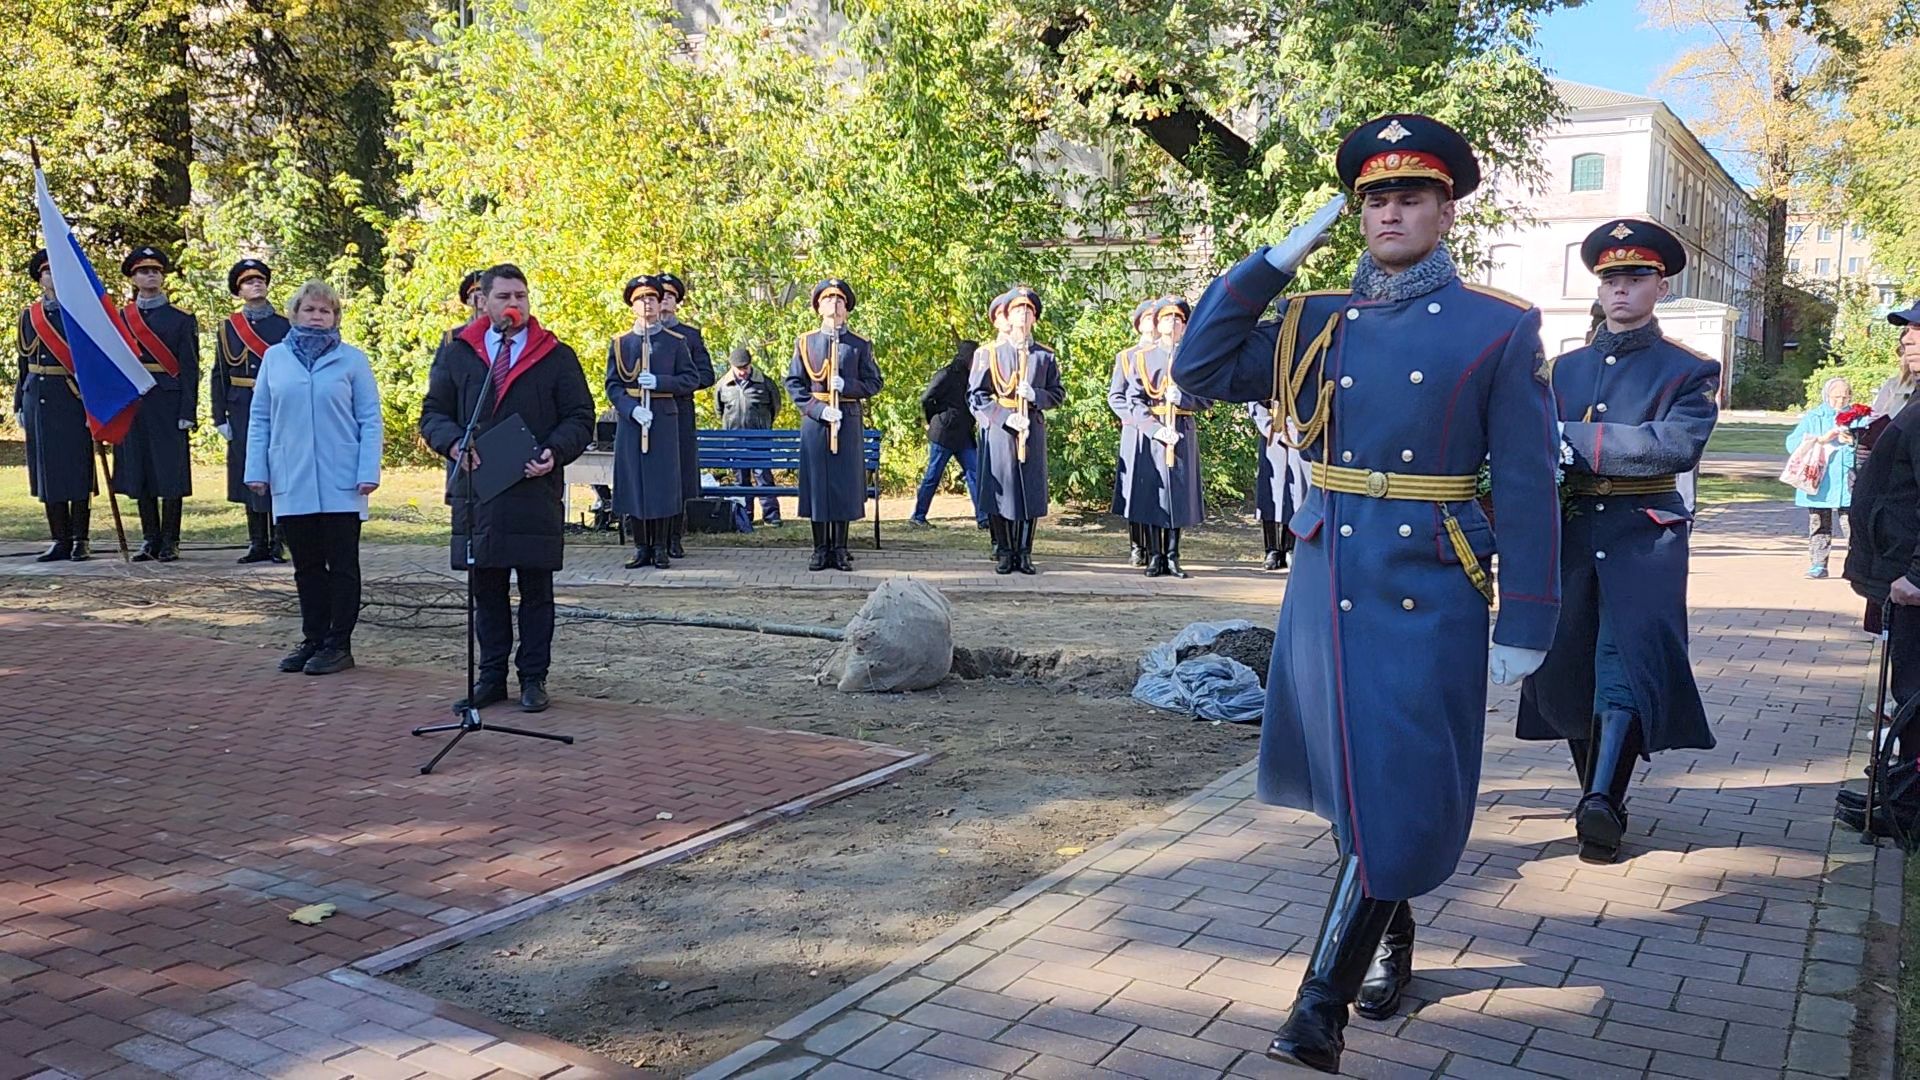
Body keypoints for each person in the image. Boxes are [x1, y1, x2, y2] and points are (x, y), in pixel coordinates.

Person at [1174, 114, 1561, 1073]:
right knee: (1361, 785)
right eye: (1375, 198)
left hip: (1431, 584)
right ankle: (1394, 939)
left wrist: (1530, 615)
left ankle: (1320, 1006)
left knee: (1405, 774)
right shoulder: (1317, 317)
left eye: (1412, 196)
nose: (1392, 211)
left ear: (1445, 209)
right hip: (1329, 578)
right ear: (1357, 215)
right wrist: (1266, 264)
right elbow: (1197, 368)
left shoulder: (1499, 326)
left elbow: (1522, 479)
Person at [1517, 218, 1719, 866]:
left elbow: (1674, 445)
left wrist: (1572, 440)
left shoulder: (1688, 369)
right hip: (1573, 531)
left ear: (1660, 285)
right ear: (1598, 289)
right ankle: (1594, 795)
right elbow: (1525, 443)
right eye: (1611, 278)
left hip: (1643, 535)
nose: (1621, 289)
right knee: (1570, 664)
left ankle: (1604, 797)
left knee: (1626, 661)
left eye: (1635, 277)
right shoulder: (1563, 368)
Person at [419, 264, 595, 713]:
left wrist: (554, 452)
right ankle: (491, 677)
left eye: (520, 296)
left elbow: (579, 416)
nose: (513, 305)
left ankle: (533, 678)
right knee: (487, 588)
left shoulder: (555, 354)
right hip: (479, 490)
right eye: (504, 297)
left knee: (536, 590)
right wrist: (456, 443)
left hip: (533, 490)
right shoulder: (460, 352)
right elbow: (434, 413)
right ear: (483, 300)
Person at [243, 279, 383, 676]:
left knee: (341, 565)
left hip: (342, 477)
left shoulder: (352, 360)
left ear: (335, 317)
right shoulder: (275, 358)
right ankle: (313, 637)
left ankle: (339, 643)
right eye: (310, 310)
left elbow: (370, 419)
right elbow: (261, 418)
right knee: (305, 566)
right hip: (293, 476)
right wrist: (256, 469)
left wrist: (367, 471)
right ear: (295, 314)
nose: (317, 316)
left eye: (325, 311)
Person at [1840, 301, 1920, 834]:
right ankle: (1901, 795)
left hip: (1912, 577)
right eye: (1908, 331)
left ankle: (1908, 808)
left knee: (1915, 691)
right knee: (1909, 689)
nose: (1909, 339)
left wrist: (1917, 572)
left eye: (1919, 330)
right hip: (1898, 572)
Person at [787, 279, 882, 571]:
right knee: (818, 485)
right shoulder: (805, 342)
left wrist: (849, 386)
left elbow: (874, 382)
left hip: (847, 419)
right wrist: (818, 410)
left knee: (842, 486)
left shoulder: (859, 344)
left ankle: (840, 548)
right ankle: (819, 548)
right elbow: (794, 383)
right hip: (816, 424)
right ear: (818, 308)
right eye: (828, 300)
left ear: (846, 309)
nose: (834, 304)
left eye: (840, 300)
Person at [971, 286, 1065, 575]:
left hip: (1031, 428)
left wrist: (1036, 395)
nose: (1023, 315)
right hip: (1001, 429)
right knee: (1002, 490)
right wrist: (1004, 418)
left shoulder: (1044, 356)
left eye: (1028, 311)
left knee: (1028, 491)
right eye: (1017, 310)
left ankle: (1024, 552)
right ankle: (1005, 550)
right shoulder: (989, 353)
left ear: (1034, 318)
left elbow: (1057, 393)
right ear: (1008, 317)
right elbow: (977, 396)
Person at [1112, 296, 1209, 577]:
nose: (1173, 323)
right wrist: (1154, 429)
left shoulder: (1192, 357)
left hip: (1181, 430)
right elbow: (1133, 399)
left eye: (1178, 319)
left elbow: (1207, 399)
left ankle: (1173, 555)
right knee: (1154, 495)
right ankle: (1154, 554)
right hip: (1154, 433)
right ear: (1157, 323)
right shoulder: (1143, 357)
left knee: (1176, 496)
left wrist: (1185, 399)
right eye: (1167, 318)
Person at [114, 245, 199, 562]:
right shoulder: (121, 318)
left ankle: (171, 540)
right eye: (142, 271)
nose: (149, 275)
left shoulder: (181, 320)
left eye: (154, 271)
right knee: (141, 471)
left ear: (162, 277)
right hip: (134, 403)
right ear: (133, 278)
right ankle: (149, 538)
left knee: (170, 472)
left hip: (167, 401)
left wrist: (187, 411)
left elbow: (189, 369)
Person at [607, 276, 698, 569]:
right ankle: (641, 546)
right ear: (632, 306)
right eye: (640, 300)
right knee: (635, 481)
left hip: (663, 417)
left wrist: (660, 382)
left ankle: (660, 545)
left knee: (661, 483)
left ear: (660, 304)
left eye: (652, 299)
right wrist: (631, 409)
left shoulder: (675, 342)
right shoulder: (621, 343)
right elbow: (613, 385)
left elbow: (690, 378)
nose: (647, 304)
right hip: (633, 419)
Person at [13, 249, 96, 562]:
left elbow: (93, 362)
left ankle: (80, 539)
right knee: (47, 471)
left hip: (73, 397)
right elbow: (25, 363)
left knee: (77, 469)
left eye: (57, 270)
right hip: (39, 397)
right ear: (40, 278)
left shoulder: (80, 311)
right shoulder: (29, 315)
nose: (52, 276)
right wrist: (19, 402)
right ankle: (59, 539)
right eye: (47, 271)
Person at [215, 259, 291, 564]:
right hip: (241, 405)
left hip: (277, 404)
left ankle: (279, 541)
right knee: (251, 470)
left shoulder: (285, 325)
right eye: (247, 281)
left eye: (260, 279)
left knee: (280, 470)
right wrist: (219, 415)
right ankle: (257, 541)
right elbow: (218, 372)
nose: (255, 284)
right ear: (238, 290)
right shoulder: (228, 327)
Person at [659, 273, 715, 558]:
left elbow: (706, 375)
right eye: (660, 296)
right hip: (650, 414)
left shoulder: (689, 336)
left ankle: (674, 535)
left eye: (670, 296)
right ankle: (650, 537)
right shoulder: (638, 336)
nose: (664, 300)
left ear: (677, 303)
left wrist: (678, 381)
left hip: (679, 411)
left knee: (677, 475)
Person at [1787, 377, 1859, 579]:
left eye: (1846, 396)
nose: (1841, 401)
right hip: (1819, 480)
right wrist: (1820, 440)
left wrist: (1853, 441)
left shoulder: (1857, 416)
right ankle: (1818, 564)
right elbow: (1792, 444)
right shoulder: (1814, 417)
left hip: (1848, 480)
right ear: (1827, 396)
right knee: (1818, 523)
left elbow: (1869, 446)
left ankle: (1855, 566)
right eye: (1836, 397)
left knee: (1852, 524)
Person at [910, 339, 986, 528]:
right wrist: (932, 420)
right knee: (933, 475)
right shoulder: (945, 374)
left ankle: (983, 518)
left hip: (964, 434)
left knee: (975, 473)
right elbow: (926, 398)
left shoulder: (972, 376)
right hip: (944, 433)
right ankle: (918, 516)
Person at [1109, 299, 1158, 567]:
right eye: (1148, 318)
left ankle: (1156, 546)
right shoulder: (1127, 357)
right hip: (1136, 432)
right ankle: (1137, 545)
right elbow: (1116, 396)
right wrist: (1134, 419)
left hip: (1162, 429)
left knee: (1157, 489)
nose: (1153, 323)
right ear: (1140, 324)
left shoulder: (1170, 353)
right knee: (1136, 489)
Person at [715, 346, 784, 525]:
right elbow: (719, 411)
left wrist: (763, 426)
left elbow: (775, 407)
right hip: (735, 440)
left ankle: (771, 516)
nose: (743, 372)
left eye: (745, 367)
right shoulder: (723, 385)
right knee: (741, 480)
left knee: (764, 478)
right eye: (739, 369)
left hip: (760, 439)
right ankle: (746, 517)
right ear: (732, 367)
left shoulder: (765, 383)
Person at [1249, 399, 1308, 572]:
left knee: (1297, 492)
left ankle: (1291, 547)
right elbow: (1254, 399)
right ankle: (1272, 549)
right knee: (1271, 493)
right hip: (1272, 433)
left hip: (1299, 433)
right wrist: (1268, 426)